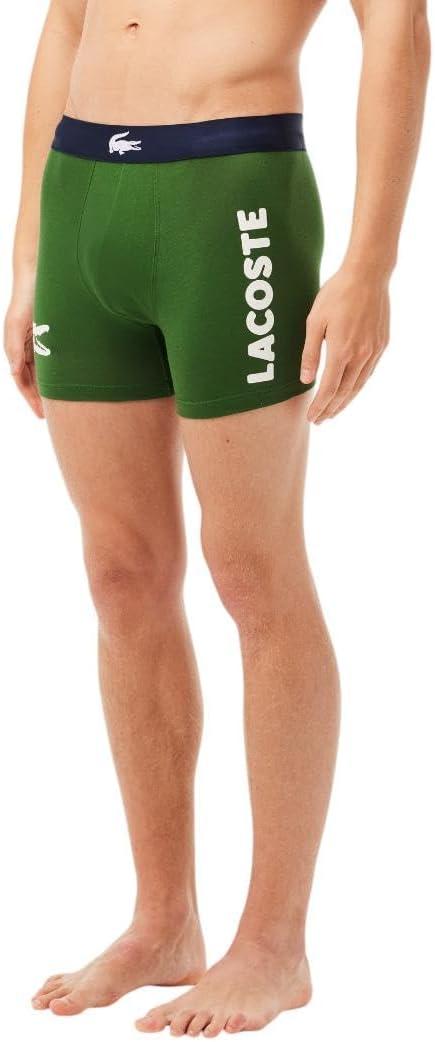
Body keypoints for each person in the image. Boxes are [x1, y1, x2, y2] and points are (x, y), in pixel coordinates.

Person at [4, 0, 430, 1036]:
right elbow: (65, 23)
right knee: (120, 574)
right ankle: (163, 922)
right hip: (83, 188)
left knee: (250, 567)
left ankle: (275, 945)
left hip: (230, 195)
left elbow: (397, 26)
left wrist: (370, 263)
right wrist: (28, 255)